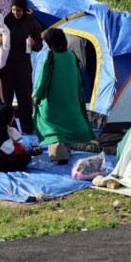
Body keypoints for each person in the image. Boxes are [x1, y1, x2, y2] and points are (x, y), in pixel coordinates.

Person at [33, 27, 95, 165]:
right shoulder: (72, 55)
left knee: (51, 126)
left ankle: (60, 155)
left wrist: (36, 96)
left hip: (52, 103)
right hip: (70, 102)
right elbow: (78, 78)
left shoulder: (50, 57)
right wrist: (80, 95)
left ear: (50, 43)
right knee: (65, 123)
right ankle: (66, 149)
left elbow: (42, 80)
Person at [0, 0, 43, 134]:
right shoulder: (6, 21)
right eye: (13, 10)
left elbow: (39, 45)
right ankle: (8, 129)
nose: (15, 13)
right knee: (6, 100)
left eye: (18, 10)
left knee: (25, 98)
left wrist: (33, 43)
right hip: (5, 65)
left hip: (23, 65)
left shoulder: (32, 23)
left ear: (24, 10)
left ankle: (27, 128)